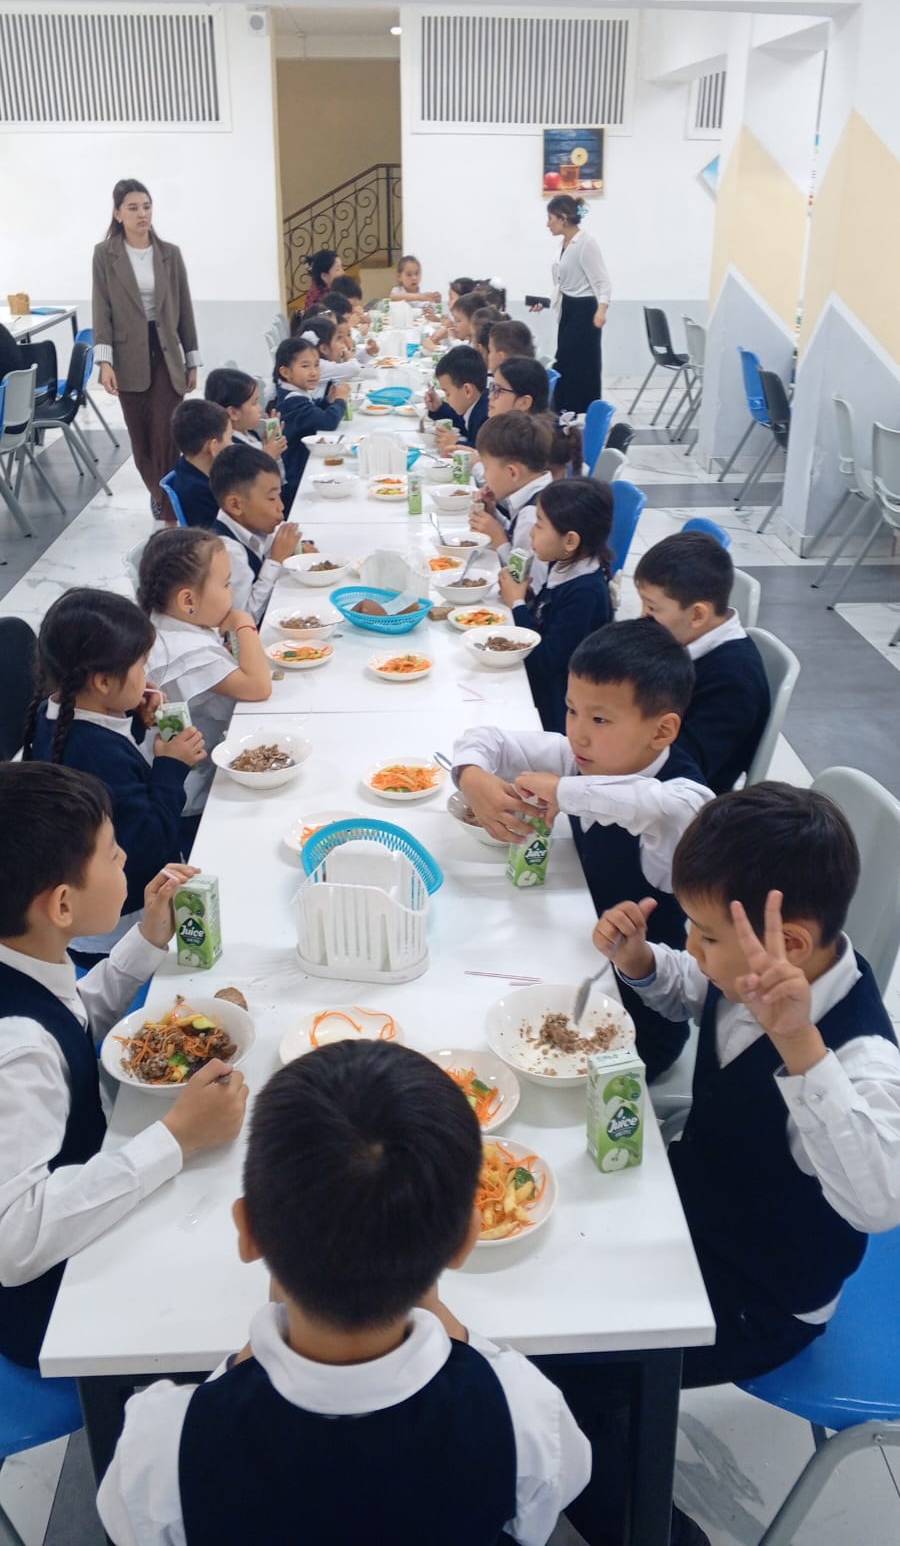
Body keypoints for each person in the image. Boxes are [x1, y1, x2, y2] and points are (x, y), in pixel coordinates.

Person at [559, 783, 900, 1546]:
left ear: (793, 944)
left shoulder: (861, 1054)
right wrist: (642, 961)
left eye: (707, 935)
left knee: (564, 1377)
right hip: (697, 1213)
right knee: (557, 1265)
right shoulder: (755, 971)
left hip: (761, 1297)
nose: (694, 947)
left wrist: (799, 1045)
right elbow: (695, 992)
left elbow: (878, 1200)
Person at [96, 1040, 590, 1546]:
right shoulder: (523, 1415)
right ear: (466, 1239)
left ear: (248, 1232)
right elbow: (544, 1507)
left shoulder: (161, 1450)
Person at [0, 761, 247, 1369]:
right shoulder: (18, 1049)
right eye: (113, 856)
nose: (127, 859)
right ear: (63, 904)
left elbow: (72, 1016)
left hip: (93, 1187)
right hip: (58, 1303)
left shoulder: (25, 963)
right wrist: (177, 1137)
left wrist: (149, 938)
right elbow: (15, 1241)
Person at [452, 621, 713, 1082]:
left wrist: (562, 791)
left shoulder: (684, 801)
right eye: (572, 711)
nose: (578, 735)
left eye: (600, 720)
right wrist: (472, 777)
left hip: (637, 1012)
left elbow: (647, 803)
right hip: (571, 953)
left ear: (662, 730)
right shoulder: (582, 760)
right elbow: (485, 739)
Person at [24, 590, 206, 956]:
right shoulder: (94, 753)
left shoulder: (56, 713)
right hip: (127, 919)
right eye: (141, 666)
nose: (146, 676)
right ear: (103, 682)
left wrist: (131, 714)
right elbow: (150, 842)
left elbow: (118, 784)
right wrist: (172, 766)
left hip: (101, 902)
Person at [139, 529, 271, 821]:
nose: (231, 593)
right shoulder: (185, 650)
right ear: (188, 601)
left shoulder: (166, 623)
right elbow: (259, 686)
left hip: (193, 766)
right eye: (225, 584)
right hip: (193, 792)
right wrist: (243, 621)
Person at [92, 179, 200, 519]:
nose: (142, 214)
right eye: (133, 208)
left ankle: (170, 516)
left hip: (166, 353)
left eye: (147, 207)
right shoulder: (104, 254)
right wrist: (105, 362)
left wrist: (192, 359)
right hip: (128, 358)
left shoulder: (170, 254)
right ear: (118, 214)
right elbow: (101, 309)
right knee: (141, 445)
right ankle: (160, 494)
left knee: (166, 437)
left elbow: (184, 309)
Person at [634, 533, 771, 794]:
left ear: (697, 614)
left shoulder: (733, 682)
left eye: (652, 608)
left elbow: (684, 771)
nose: (643, 617)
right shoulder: (684, 641)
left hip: (681, 801)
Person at [498, 479, 614, 732]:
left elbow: (545, 662)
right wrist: (527, 598)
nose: (532, 533)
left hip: (557, 709)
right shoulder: (563, 564)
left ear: (570, 541)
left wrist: (517, 604)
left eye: (539, 525)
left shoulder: (585, 593)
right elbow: (547, 620)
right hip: (543, 684)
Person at [532, 195, 611, 415]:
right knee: (567, 363)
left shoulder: (586, 243)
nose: (548, 224)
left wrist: (602, 309)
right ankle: (565, 411)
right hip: (568, 308)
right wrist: (545, 302)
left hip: (585, 312)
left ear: (563, 218)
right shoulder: (564, 245)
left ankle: (580, 413)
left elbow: (603, 281)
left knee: (578, 364)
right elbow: (565, 284)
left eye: (551, 219)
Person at [209, 446, 305, 625]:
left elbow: (276, 542)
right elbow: (245, 617)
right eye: (271, 498)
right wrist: (275, 561)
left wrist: (297, 548)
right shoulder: (227, 552)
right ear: (236, 505)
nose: (281, 507)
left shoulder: (254, 524)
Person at [470, 413, 553, 592]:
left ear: (512, 472)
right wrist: (494, 516)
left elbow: (529, 584)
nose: (484, 476)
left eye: (486, 467)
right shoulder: (536, 492)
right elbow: (518, 541)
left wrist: (498, 540)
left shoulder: (533, 516)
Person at [273, 334, 349, 507]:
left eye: (316, 365)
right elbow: (328, 422)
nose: (314, 372)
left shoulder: (294, 393)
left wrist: (328, 401)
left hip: (303, 463)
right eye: (305, 366)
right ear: (285, 372)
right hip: (296, 476)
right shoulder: (292, 401)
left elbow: (313, 411)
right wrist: (340, 400)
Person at [167, 399, 233, 529]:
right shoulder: (197, 494)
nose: (232, 444)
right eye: (229, 438)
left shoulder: (186, 465)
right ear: (213, 447)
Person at [204, 367, 287, 464]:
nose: (260, 408)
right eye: (254, 403)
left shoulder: (251, 434)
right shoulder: (230, 449)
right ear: (233, 413)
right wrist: (268, 456)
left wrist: (268, 444)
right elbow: (249, 472)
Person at [424, 344, 489, 452]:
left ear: (467, 390)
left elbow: (485, 453)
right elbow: (461, 421)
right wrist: (438, 408)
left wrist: (455, 444)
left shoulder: (486, 417)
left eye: (448, 393)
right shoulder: (476, 404)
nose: (447, 398)